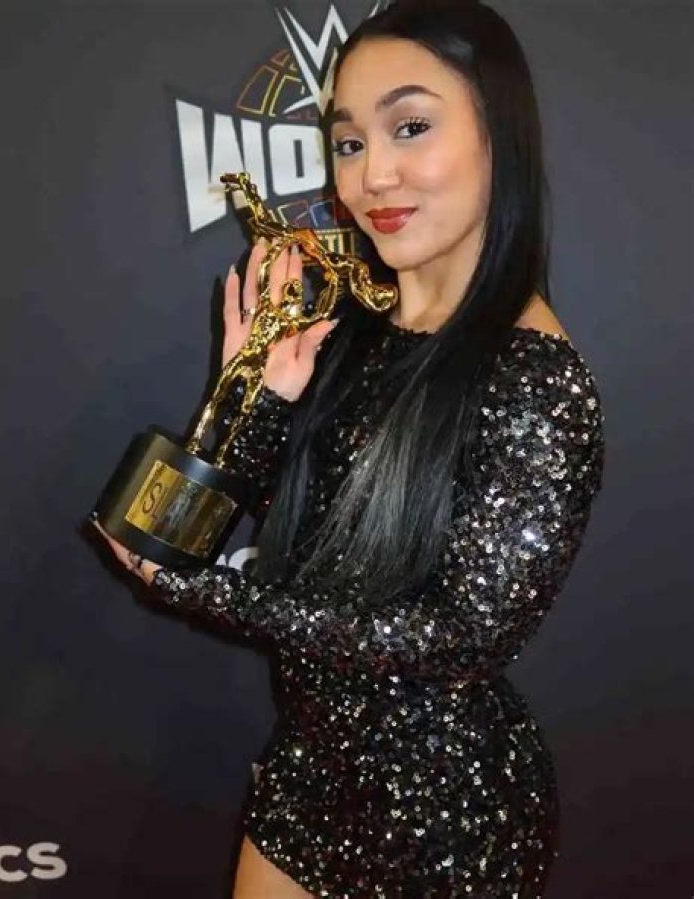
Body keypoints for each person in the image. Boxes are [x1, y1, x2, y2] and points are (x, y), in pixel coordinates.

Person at [93, 1, 606, 895]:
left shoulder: (536, 382)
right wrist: (253, 396)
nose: (374, 175)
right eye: (349, 142)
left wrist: (207, 592)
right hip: (306, 778)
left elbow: (456, 639)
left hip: (446, 822)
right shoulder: (355, 326)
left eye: (411, 127)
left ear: (500, 135)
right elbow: (257, 527)